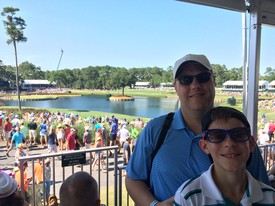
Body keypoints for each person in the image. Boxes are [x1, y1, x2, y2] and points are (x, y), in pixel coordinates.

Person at [125, 54, 270, 205]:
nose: (195, 85)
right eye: (185, 80)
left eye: (202, 77)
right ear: (175, 87)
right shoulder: (156, 129)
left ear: (213, 80)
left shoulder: (236, 135)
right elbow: (133, 179)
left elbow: (261, 190)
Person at [174, 107, 275, 205]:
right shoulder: (189, 197)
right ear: (205, 146)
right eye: (217, 136)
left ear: (252, 144)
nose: (229, 143)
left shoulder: (270, 197)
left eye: (238, 135)